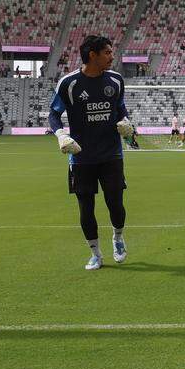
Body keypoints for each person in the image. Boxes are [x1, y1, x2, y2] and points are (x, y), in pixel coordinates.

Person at [48, 35, 134, 271]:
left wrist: (126, 122)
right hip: (81, 157)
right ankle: (95, 254)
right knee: (85, 207)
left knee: (115, 203)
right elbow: (53, 114)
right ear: (92, 55)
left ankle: (118, 238)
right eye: (107, 52)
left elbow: (121, 109)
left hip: (111, 155)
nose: (112, 56)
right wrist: (60, 134)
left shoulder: (116, 80)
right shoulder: (69, 83)